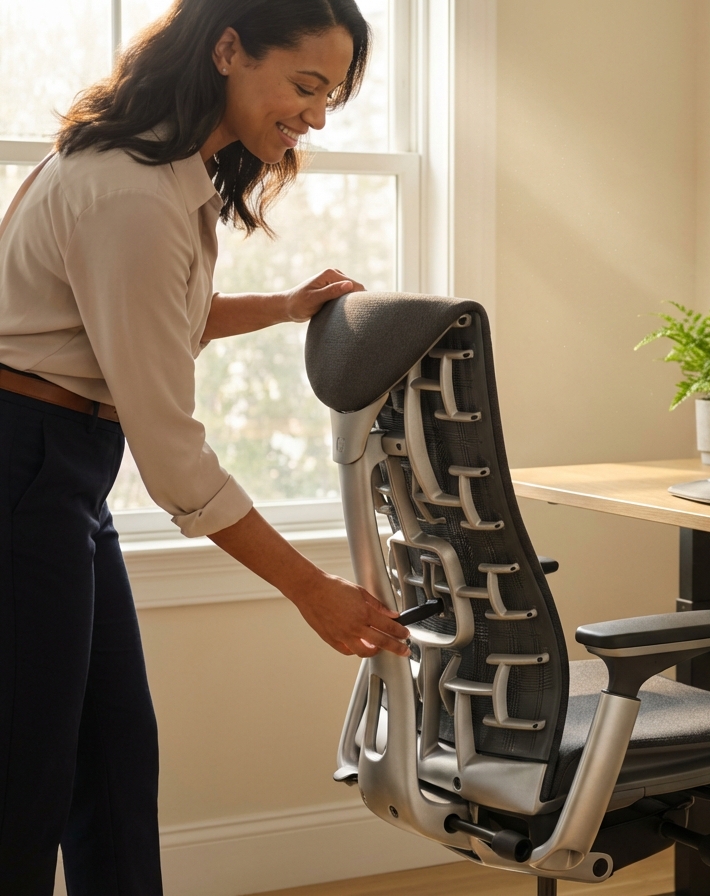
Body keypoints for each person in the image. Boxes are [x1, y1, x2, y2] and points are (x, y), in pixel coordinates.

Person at [0, 2, 410, 892]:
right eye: (305, 86)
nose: (318, 115)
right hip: (26, 468)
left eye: (332, 95)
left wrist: (281, 306)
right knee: (25, 779)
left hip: (58, 473)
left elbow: (139, 322)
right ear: (227, 48)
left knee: (112, 755)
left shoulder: (156, 171)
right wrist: (312, 591)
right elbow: (174, 456)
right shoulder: (130, 192)